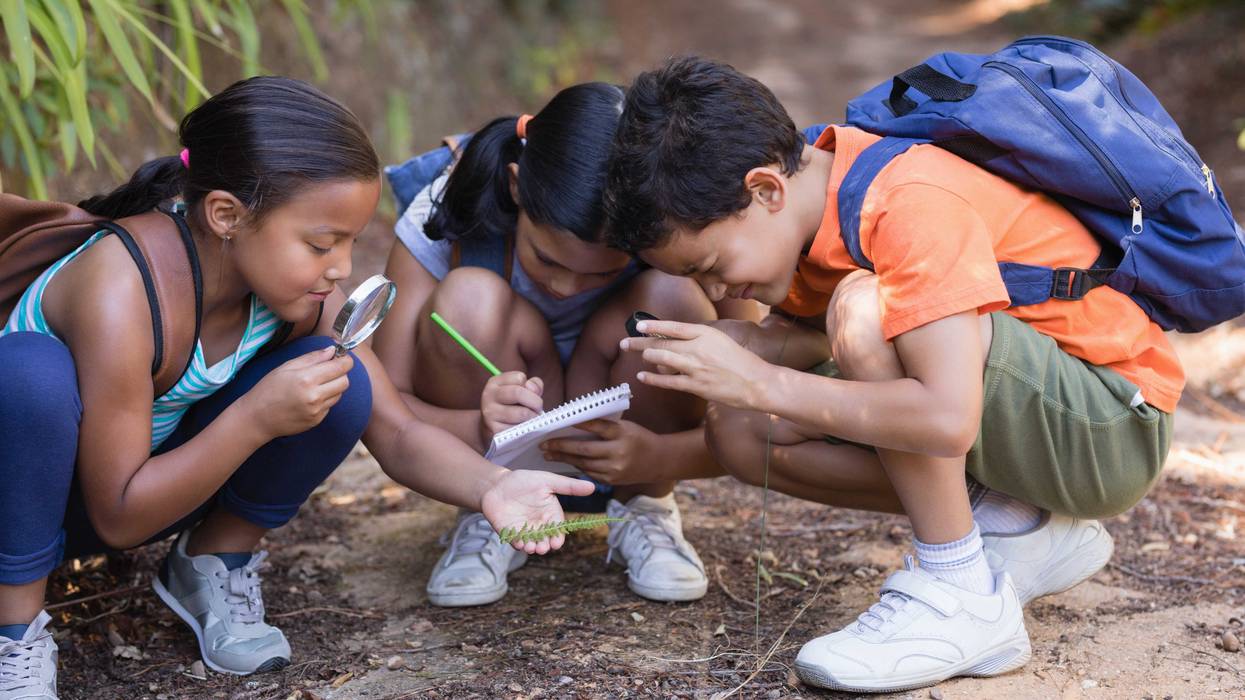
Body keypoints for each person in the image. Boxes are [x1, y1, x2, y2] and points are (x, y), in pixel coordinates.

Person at [0, 77, 592, 699]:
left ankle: (210, 563)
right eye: (320, 244)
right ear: (226, 215)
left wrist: (492, 486)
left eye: (351, 242)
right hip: (35, 504)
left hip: (135, 493)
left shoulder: (297, 295)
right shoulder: (121, 287)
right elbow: (118, 516)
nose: (342, 267)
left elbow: (396, 431)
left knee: (341, 377)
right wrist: (255, 418)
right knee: (30, 377)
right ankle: (12, 631)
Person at [604, 56, 1180, 692]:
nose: (715, 290)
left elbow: (945, 418)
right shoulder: (807, 214)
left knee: (865, 310)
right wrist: (741, 348)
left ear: (766, 190)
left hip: (1107, 425)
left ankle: (960, 591)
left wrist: (760, 380)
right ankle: (1022, 524)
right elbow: (808, 344)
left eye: (710, 265)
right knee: (740, 430)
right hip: (1027, 411)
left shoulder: (906, 200)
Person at [374, 82, 762, 606]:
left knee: (671, 297)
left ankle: (644, 506)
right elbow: (388, 401)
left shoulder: (679, 227)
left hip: (633, 437)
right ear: (516, 187)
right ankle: (492, 504)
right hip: (496, 442)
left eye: (601, 274)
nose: (564, 287)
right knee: (467, 298)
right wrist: (478, 427)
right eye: (546, 259)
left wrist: (660, 458)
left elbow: (753, 395)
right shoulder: (447, 209)